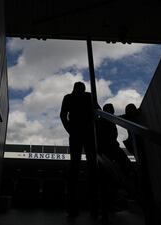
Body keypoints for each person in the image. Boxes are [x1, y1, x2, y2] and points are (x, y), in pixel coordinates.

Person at [60, 81, 99, 217]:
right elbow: (97, 113)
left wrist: (70, 129)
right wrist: (70, 129)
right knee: (89, 165)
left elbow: (63, 115)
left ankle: (75, 207)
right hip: (83, 133)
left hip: (79, 133)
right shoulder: (87, 96)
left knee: (78, 166)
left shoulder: (70, 97)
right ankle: (93, 206)